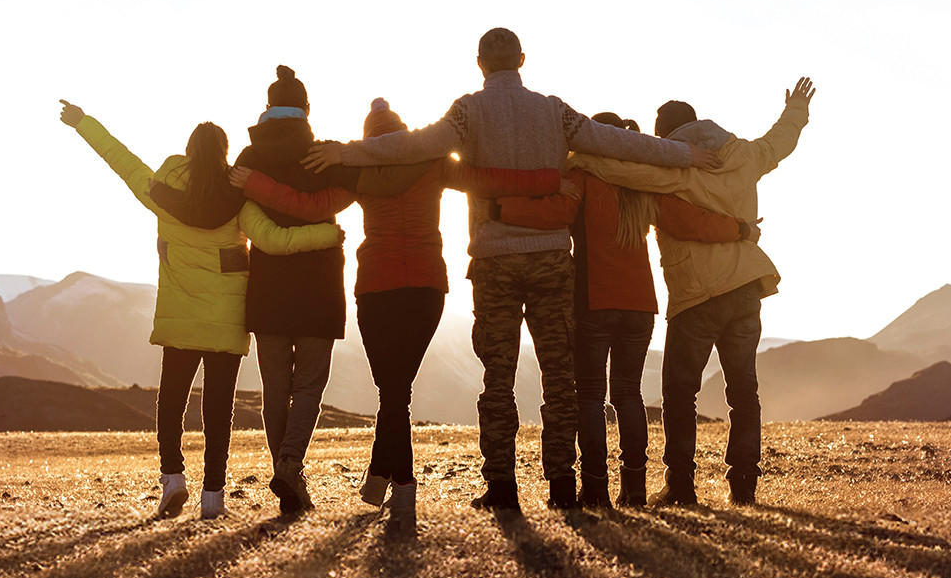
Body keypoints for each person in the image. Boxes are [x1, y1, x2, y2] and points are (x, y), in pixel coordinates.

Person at [304, 27, 715, 514]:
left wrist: (347, 151)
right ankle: (562, 485)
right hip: (549, 258)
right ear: (522, 59)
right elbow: (617, 144)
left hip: (495, 261)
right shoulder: (553, 110)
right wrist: (686, 154)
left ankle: (501, 488)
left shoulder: (467, 111)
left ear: (480, 63)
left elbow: (413, 146)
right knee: (559, 378)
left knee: (496, 378)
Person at [232, 98, 559, 514]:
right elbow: (489, 180)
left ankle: (396, 483)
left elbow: (307, 207)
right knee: (395, 392)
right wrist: (548, 178)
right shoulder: (434, 162)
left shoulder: (361, 172)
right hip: (426, 288)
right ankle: (384, 480)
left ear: (371, 142)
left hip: (377, 287)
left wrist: (255, 184)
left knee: (392, 392)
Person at [58, 99, 341, 521]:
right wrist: (326, 234)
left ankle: (173, 479)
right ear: (224, 154)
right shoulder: (238, 201)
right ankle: (214, 496)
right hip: (226, 322)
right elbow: (274, 241)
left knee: (171, 401)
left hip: (179, 319)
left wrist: (82, 121)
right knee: (217, 410)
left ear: (188, 152)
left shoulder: (159, 191)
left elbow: (119, 157)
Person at [568, 78, 815, 505]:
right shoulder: (745, 155)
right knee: (744, 391)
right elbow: (780, 142)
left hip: (697, 295)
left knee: (680, 393)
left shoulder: (671, 168)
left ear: (663, 137)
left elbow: (623, 169)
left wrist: (579, 155)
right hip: (744, 287)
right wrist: (796, 109)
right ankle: (744, 487)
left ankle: (680, 485)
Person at [496, 113, 759, 507]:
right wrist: (739, 229)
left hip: (594, 300)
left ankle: (596, 488)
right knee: (628, 394)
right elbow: (690, 221)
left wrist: (500, 209)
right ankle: (634, 488)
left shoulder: (584, 177)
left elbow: (553, 212)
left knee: (590, 395)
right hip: (641, 306)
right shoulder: (644, 185)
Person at [215, 65, 356, 515]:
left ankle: (285, 468)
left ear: (268, 109)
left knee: (276, 386)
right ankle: (291, 463)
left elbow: (226, 213)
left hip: (268, 287)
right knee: (311, 382)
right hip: (317, 286)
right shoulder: (323, 156)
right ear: (307, 110)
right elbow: (349, 191)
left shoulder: (248, 160)